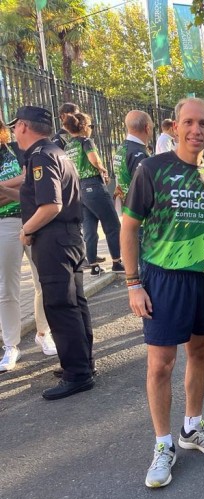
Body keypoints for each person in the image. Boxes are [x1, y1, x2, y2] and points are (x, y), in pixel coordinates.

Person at [121, 98, 204, 488]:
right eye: (189, 123)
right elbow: (129, 228)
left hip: (201, 276)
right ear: (175, 127)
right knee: (160, 364)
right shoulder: (151, 169)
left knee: (200, 351)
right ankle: (163, 444)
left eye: (203, 124)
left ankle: (192, 428)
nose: (196, 130)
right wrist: (133, 283)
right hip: (163, 278)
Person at [12, 106, 94, 399]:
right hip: (69, 237)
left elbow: (50, 206)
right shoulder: (57, 153)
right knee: (75, 303)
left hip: (54, 238)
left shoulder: (40, 157)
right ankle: (83, 362)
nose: (13, 133)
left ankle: (78, 373)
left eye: (15, 127)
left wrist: (26, 231)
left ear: (23, 126)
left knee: (60, 306)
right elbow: (37, 194)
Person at [0, 117, 57, 372]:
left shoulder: (16, 148)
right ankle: (11, 345)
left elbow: (30, 179)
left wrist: (5, 186)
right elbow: (24, 182)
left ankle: (44, 333)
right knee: (6, 289)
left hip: (33, 218)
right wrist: (20, 185)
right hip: (4, 224)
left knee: (43, 280)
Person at [63, 113, 124, 274]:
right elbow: (93, 159)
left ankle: (94, 266)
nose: (91, 130)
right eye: (90, 126)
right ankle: (117, 262)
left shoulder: (68, 146)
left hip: (78, 189)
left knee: (90, 229)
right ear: (83, 127)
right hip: (93, 185)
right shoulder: (86, 141)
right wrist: (102, 169)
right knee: (112, 224)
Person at [114, 110, 153, 202]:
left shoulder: (122, 148)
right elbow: (144, 188)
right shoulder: (139, 153)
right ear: (147, 128)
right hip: (138, 209)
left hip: (128, 205)